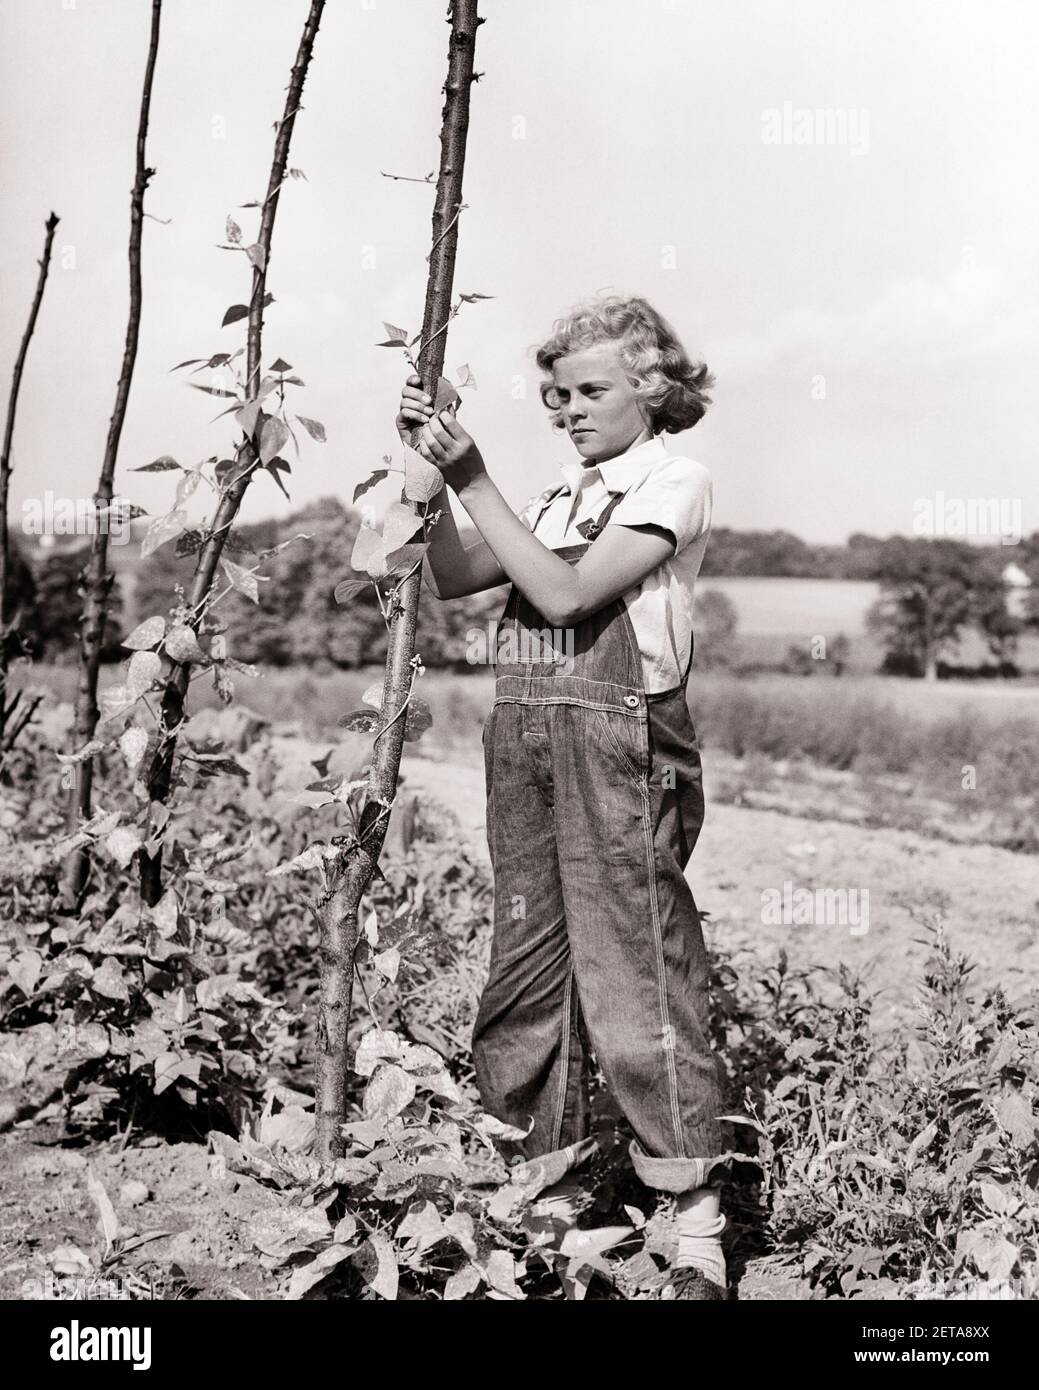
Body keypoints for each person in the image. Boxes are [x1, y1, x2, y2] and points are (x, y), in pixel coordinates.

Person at [395, 294, 730, 1300]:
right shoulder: (554, 500)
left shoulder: (676, 483)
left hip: (621, 737)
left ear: (654, 387)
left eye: (592, 391)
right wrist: (423, 466)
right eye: (556, 395)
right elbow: (456, 572)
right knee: (526, 967)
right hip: (528, 741)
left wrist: (473, 473)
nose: (570, 410)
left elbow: (568, 597)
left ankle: (695, 1223)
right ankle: (535, 1202)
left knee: (635, 972)